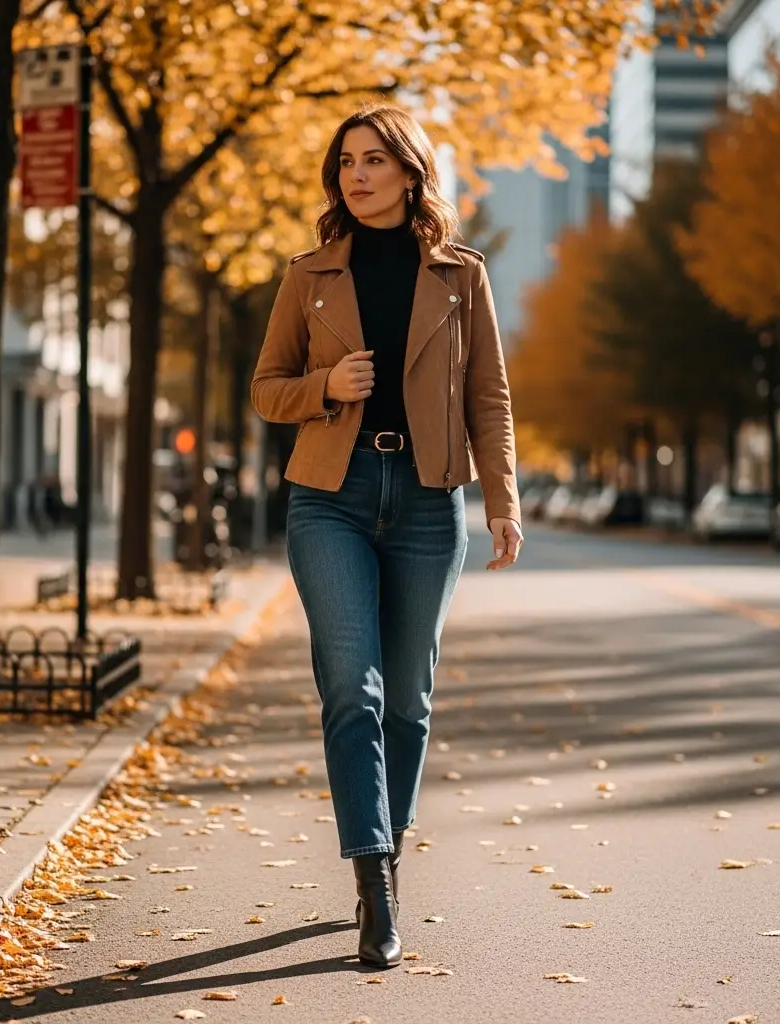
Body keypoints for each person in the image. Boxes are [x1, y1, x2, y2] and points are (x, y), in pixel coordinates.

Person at [250, 104, 523, 969]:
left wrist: (503, 500)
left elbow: (490, 395)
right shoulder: (308, 276)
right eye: (345, 163)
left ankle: (387, 847)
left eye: (373, 160)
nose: (356, 175)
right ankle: (374, 883)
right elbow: (266, 389)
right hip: (328, 495)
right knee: (352, 690)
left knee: (408, 697)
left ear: (411, 172)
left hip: (426, 498)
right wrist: (326, 383)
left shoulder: (459, 276)